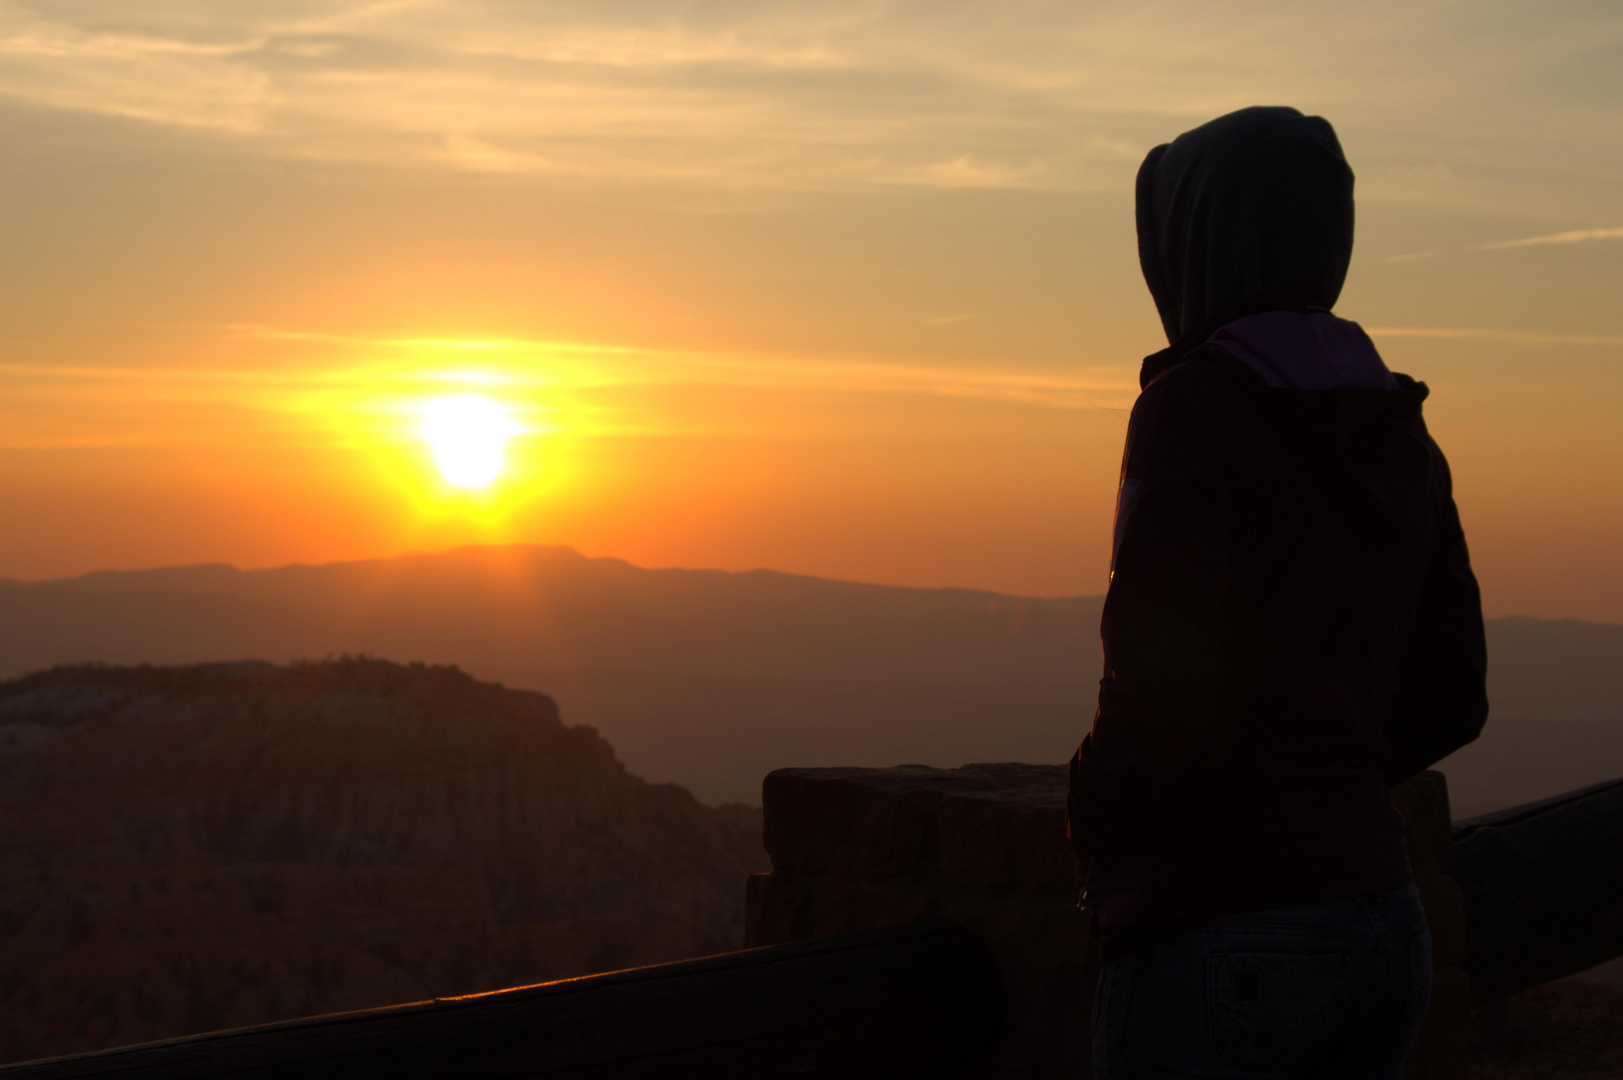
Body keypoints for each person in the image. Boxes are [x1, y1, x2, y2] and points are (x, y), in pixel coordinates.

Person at [1067, 106, 1489, 1079]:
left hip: (1218, 930)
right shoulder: (1400, 426)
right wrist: (1327, 785)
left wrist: (1095, 825)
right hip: (1385, 923)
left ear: (1198, 240)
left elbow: (1155, 682)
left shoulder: (1194, 408)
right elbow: (1453, 692)